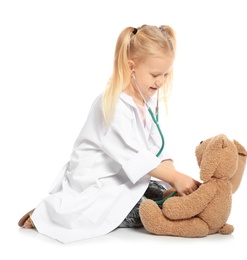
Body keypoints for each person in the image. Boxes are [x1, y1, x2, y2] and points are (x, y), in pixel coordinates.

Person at [18, 24, 201, 243]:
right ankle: (47, 215)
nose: (161, 81)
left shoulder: (147, 102)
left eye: (165, 74)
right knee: (146, 212)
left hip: (124, 179)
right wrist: (176, 179)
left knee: (161, 192)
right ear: (131, 67)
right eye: (155, 74)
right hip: (98, 183)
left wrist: (174, 179)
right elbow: (135, 158)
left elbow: (157, 148)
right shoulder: (113, 105)